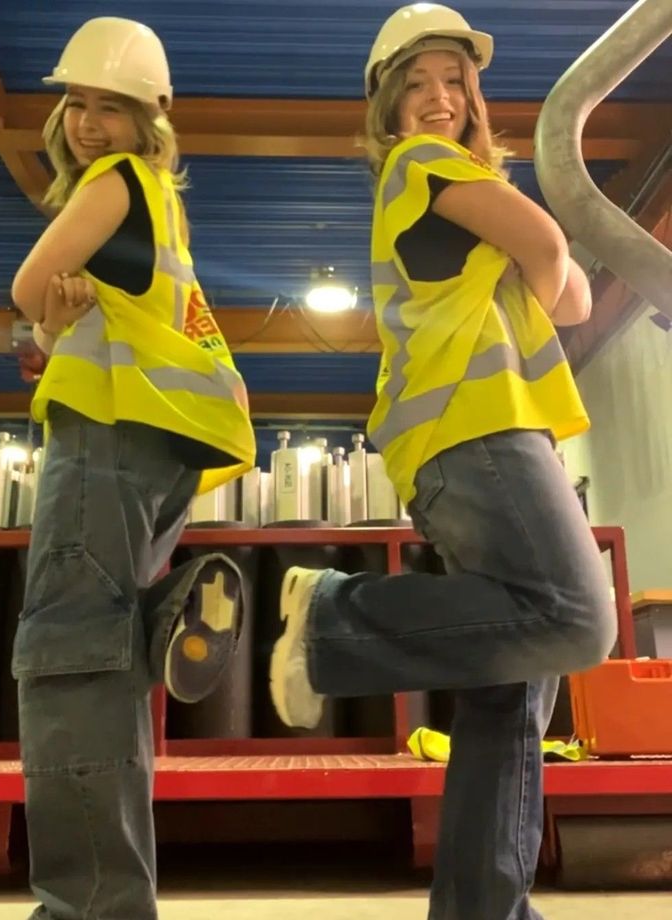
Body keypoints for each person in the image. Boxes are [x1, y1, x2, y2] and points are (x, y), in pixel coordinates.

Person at [269, 5, 616, 919]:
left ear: (474, 95)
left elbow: (575, 300)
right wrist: (538, 255)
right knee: (578, 618)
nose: (437, 99)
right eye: (414, 85)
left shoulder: (458, 199)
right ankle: (333, 619)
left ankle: (481, 907)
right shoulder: (423, 167)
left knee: (510, 697)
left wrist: (540, 260)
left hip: (478, 437)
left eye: (453, 82)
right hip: (479, 433)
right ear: (386, 107)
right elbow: (554, 257)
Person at [10, 17, 256, 920]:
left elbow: (29, 286)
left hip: (107, 442)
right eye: (76, 102)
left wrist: (45, 312)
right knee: (105, 652)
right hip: (164, 453)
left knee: (68, 657)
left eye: (110, 107)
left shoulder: (117, 181)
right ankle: (164, 606)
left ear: (150, 119)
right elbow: (62, 313)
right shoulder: (162, 203)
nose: (86, 122)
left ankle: (90, 910)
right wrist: (56, 318)